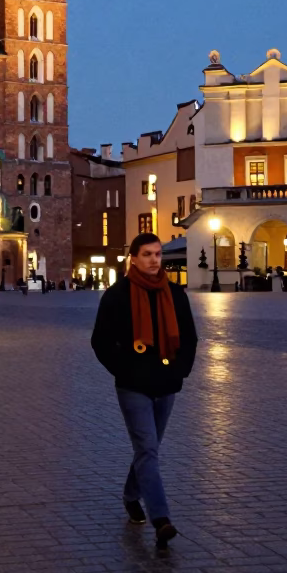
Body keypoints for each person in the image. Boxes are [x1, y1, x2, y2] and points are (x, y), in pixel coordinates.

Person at [91, 232, 197, 549]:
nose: (154, 260)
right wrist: (124, 369)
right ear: (133, 258)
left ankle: (130, 495)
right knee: (148, 448)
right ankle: (161, 519)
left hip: (166, 385)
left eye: (158, 254)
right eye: (147, 254)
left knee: (147, 449)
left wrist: (180, 371)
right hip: (133, 385)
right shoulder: (117, 295)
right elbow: (100, 342)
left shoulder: (176, 294)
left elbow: (190, 339)